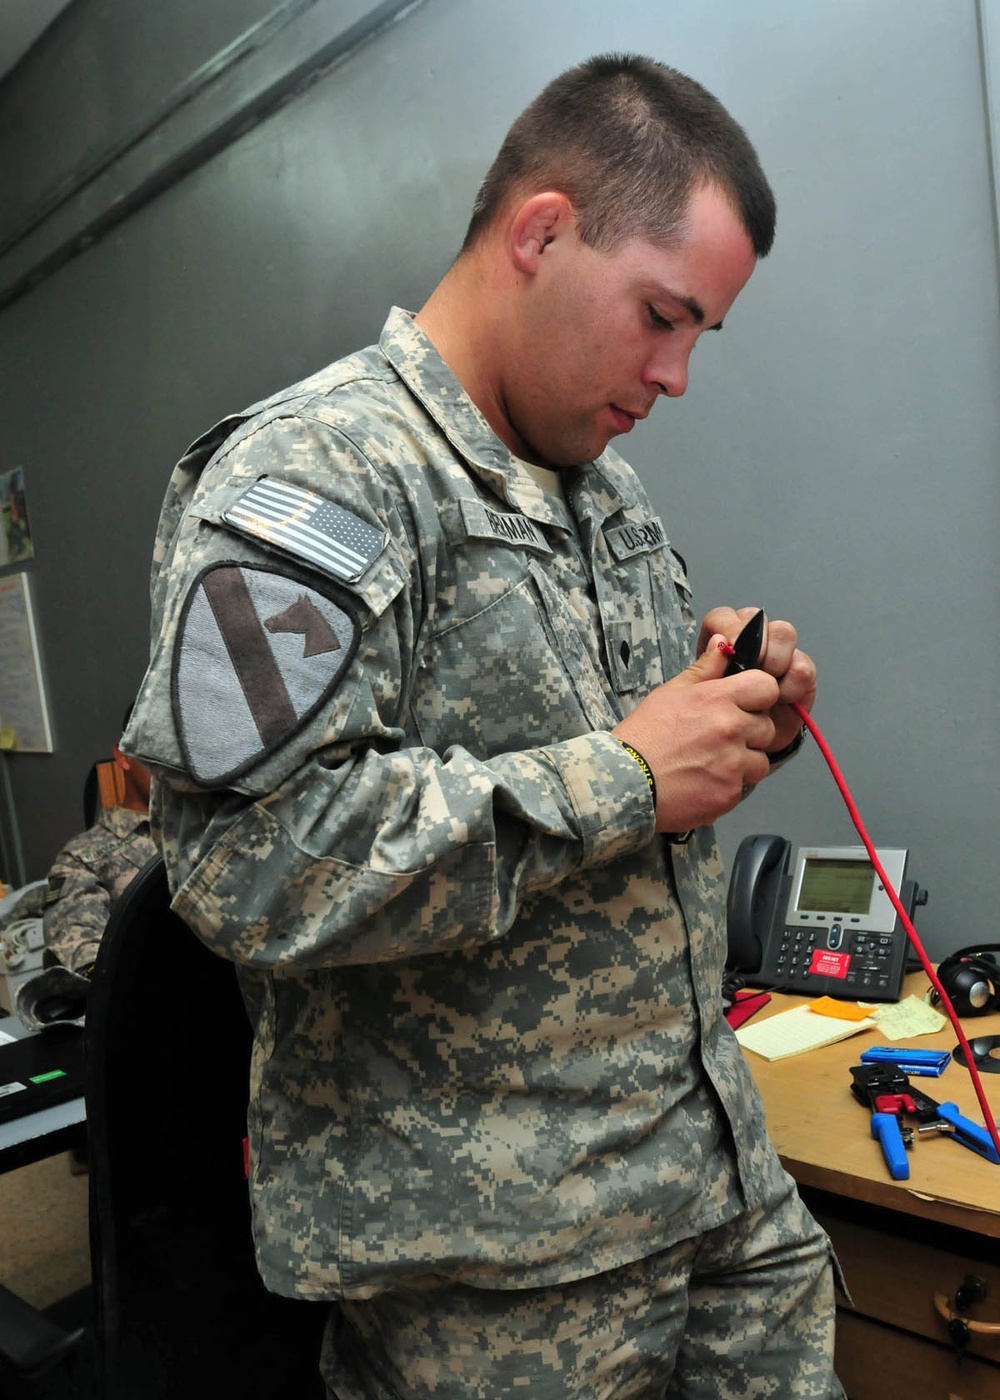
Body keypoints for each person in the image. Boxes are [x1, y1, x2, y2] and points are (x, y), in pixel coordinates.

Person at [122, 53, 844, 1398]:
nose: (676, 375)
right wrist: (625, 774)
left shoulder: (601, 489)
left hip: (714, 1194)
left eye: (701, 337)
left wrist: (734, 714)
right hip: (502, 1276)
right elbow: (247, 864)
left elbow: (630, 762)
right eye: (660, 316)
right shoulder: (314, 474)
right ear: (539, 233)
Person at [14, 734, 156, 1028]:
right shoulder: (84, 857)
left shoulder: (210, 829)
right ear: (124, 755)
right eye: (157, 752)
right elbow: (81, 951)